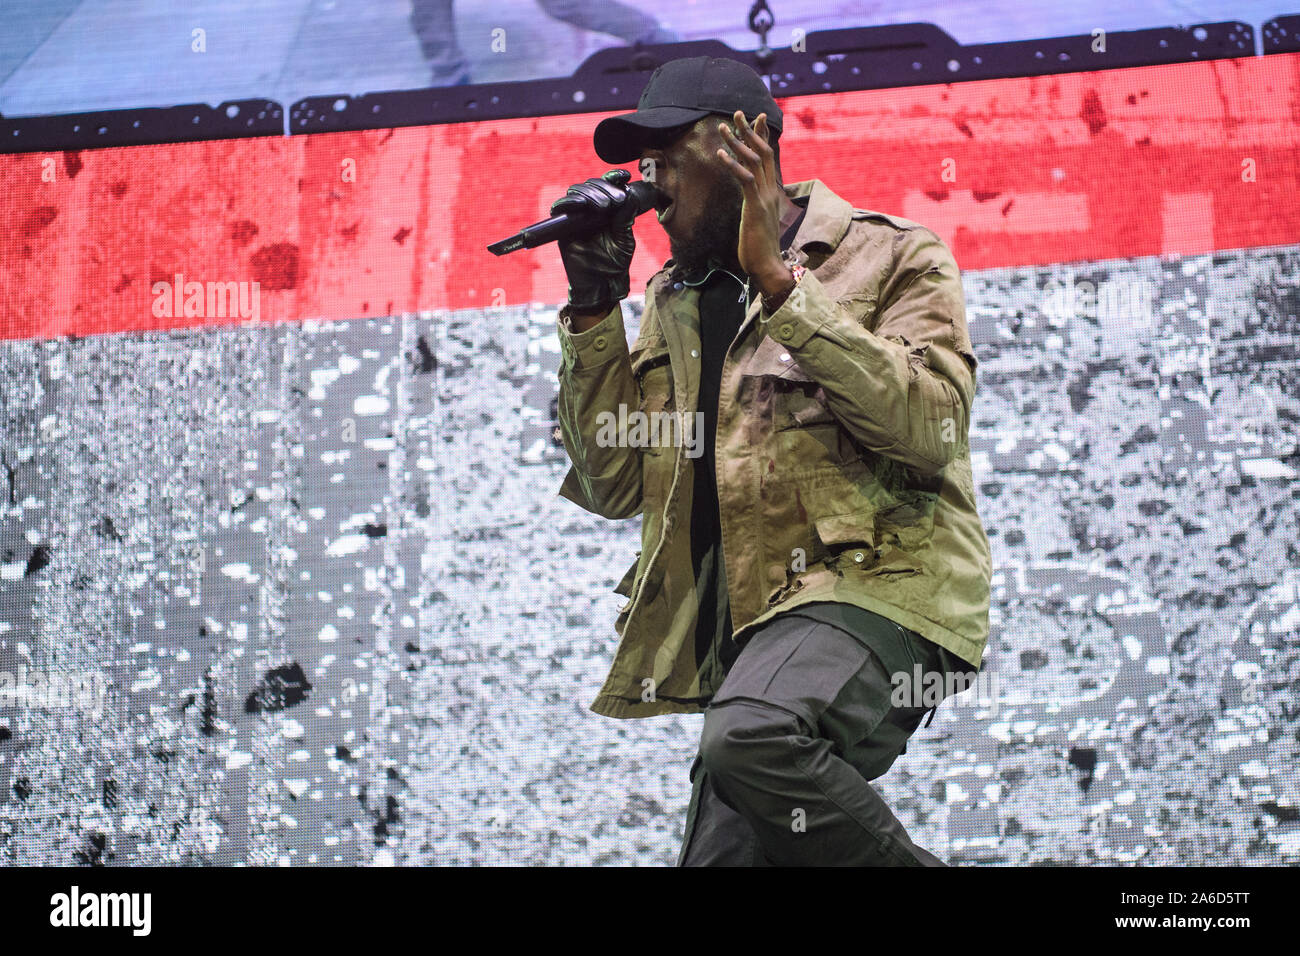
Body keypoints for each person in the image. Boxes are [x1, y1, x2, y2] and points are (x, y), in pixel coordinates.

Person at [551, 55, 993, 865]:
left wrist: (782, 288)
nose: (647, 185)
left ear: (740, 146)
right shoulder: (671, 302)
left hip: (882, 591)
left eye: (664, 159)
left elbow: (932, 430)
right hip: (757, 640)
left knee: (753, 732)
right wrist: (591, 311)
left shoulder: (890, 255)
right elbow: (615, 485)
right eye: (641, 166)